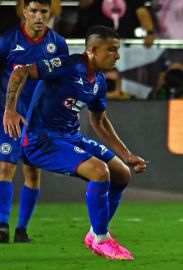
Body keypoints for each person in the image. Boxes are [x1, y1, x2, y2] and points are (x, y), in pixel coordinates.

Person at [3, 25, 147, 260]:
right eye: (111, 50)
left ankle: (95, 233)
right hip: (42, 140)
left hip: (71, 138)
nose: (117, 56)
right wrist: (9, 110)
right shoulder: (67, 65)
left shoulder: (99, 81)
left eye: (118, 50)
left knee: (121, 173)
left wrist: (127, 155)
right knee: (99, 172)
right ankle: (102, 239)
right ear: (92, 50)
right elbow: (21, 72)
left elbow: (99, 122)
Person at [0, 0, 69, 243]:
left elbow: (60, 82)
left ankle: (21, 230)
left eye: (43, 11)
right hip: (10, 115)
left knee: (33, 172)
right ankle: (2, 224)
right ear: (24, 12)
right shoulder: (7, 41)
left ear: (50, 13)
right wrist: (8, 110)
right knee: (6, 166)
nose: (39, 16)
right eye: (34, 11)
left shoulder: (58, 44)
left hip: (38, 117)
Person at [74, 0, 155, 48]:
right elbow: (84, 3)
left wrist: (149, 33)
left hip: (123, 46)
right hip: (96, 44)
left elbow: (142, 13)